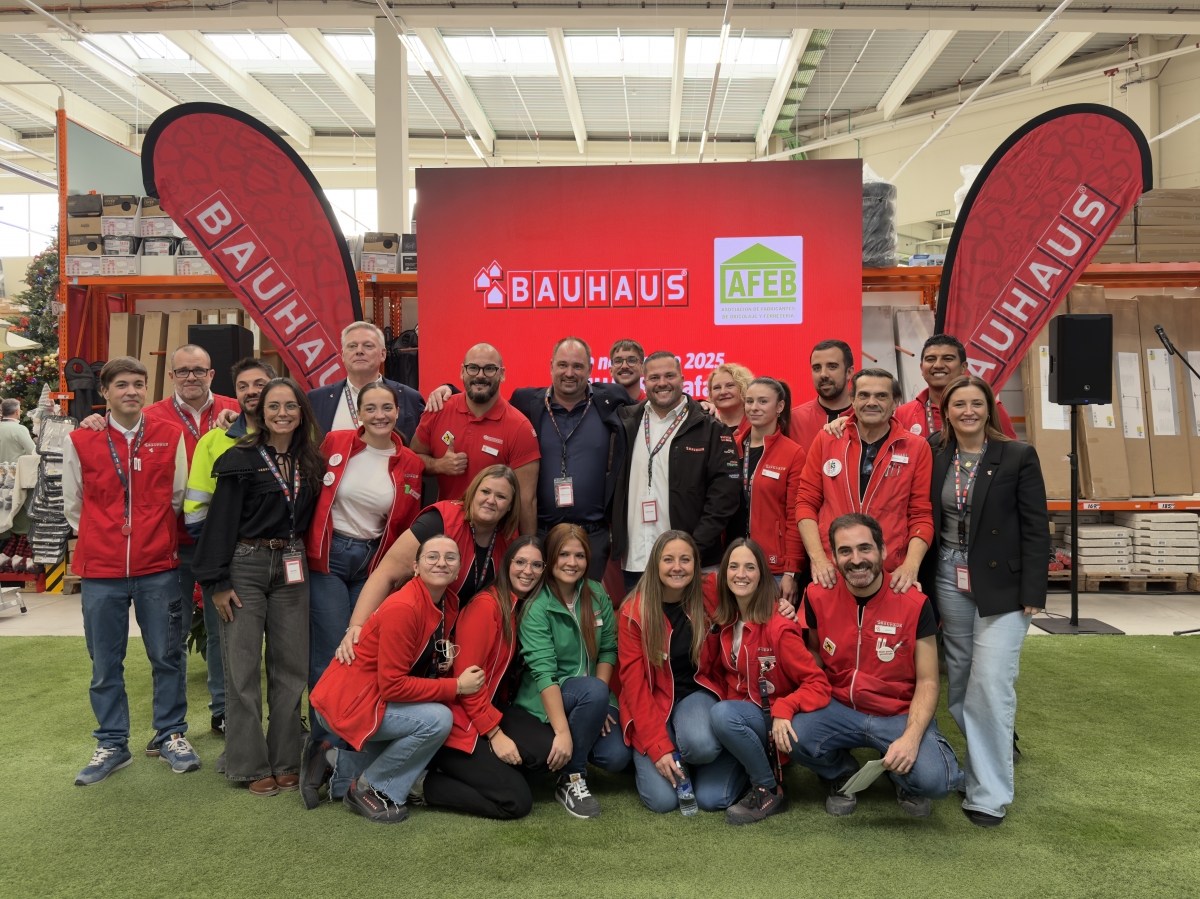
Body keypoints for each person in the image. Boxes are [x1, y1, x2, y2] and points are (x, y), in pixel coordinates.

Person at [81, 344, 241, 736]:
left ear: (211, 374)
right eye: (183, 371)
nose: (191, 377)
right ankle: (172, 729)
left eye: (199, 370)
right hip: (175, 547)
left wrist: (244, 422)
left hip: (228, 544)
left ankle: (223, 710)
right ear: (170, 377)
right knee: (174, 635)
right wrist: (94, 422)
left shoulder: (234, 410)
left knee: (227, 628)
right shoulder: (150, 417)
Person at [62, 356, 197, 785]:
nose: (131, 391)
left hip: (157, 566)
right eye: (121, 385)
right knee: (105, 661)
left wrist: (148, 534)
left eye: (139, 384)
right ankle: (112, 743)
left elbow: (177, 496)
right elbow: (73, 503)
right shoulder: (81, 439)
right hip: (101, 570)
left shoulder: (168, 435)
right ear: (105, 392)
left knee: (167, 655)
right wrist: (106, 535)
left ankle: (171, 734)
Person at [924, 375, 1048, 827]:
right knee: (959, 683)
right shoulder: (937, 455)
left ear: (990, 409)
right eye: (959, 404)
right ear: (947, 411)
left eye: (977, 403)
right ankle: (980, 770)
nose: (968, 411)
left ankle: (988, 794)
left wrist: (1034, 588)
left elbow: (1037, 525)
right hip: (948, 578)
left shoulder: (1017, 455)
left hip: (1004, 587)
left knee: (990, 684)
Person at [193, 379, 324, 796]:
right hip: (246, 564)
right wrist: (217, 582)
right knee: (243, 667)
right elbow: (220, 521)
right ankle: (247, 763)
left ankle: (285, 758)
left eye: (290, 406)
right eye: (274, 406)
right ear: (260, 413)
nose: (282, 413)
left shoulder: (311, 461)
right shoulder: (241, 458)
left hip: (292, 565)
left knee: (291, 667)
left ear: (301, 412)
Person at [300, 381, 426, 805]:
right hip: (329, 557)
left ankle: (345, 764)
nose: (379, 415)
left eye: (386, 408)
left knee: (363, 661)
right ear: (360, 414)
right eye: (370, 408)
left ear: (397, 412)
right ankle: (321, 748)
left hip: (371, 565)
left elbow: (405, 524)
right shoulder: (335, 443)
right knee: (334, 656)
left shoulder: (410, 462)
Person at [792, 513, 962, 818]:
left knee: (937, 781)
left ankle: (900, 774)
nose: (856, 560)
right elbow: (815, 655)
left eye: (865, 548)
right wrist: (793, 701)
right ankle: (841, 771)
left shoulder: (914, 602)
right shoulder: (817, 595)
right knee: (788, 734)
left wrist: (910, 741)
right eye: (845, 551)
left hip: (896, 713)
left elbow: (928, 681)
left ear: (882, 551)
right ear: (833, 557)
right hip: (839, 707)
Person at [309, 535, 485, 824]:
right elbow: (393, 685)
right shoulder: (404, 607)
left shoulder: (446, 602)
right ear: (416, 566)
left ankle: (334, 764)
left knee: (401, 749)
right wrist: (456, 687)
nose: (441, 562)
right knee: (438, 719)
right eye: (432, 556)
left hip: (374, 699)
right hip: (349, 703)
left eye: (450, 557)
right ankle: (371, 789)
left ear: (458, 569)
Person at [335, 465, 520, 668]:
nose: (491, 501)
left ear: (510, 505)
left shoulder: (510, 542)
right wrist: (357, 625)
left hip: (459, 643)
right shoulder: (440, 520)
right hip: (411, 631)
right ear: (473, 491)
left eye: (501, 496)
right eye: (485, 491)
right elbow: (386, 573)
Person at [702, 539, 832, 825]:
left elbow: (818, 684)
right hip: (738, 725)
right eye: (733, 567)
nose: (741, 574)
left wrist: (785, 708)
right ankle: (755, 766)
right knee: (712, 798)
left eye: (750, 567)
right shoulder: (723, 620)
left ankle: (768, 787)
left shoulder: (779, 626)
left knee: (722, 714)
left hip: (767, 720)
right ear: (723, 574)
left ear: (762, 574)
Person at [506, 524, 631, 818]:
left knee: (617, 757)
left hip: (591, 693)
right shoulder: (537, 605)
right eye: (563, 554)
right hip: (548, 696)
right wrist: (563, 731)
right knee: (593, 693)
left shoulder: (597, 593)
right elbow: (544, 674)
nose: (572, 563)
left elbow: (608, 650)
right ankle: (572, 777)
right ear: (550, 558)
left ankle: (577, 744)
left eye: (580, 555)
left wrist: (598, 705)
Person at [182, 358, 277, 742]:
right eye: (243, 386)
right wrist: (222, 562)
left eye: (259, 384)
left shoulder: (291, 436)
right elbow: (196, 510)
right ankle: (225, 714)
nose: (252, 391)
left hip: (284, 559)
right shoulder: (214, 441)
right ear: (233, 393)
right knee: (228, 645)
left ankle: (287, 720)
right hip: (232, 559)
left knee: (285, 646)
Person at [422, 537, 546, 820]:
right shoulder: (486, 606)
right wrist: (495, 734)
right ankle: (421, 782)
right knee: (516, 801)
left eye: (536, 564)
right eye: (521, 562)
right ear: (507, 565)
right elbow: (467, 685)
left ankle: (485, 769)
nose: (528, 570)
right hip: (457, 719)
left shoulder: (516, 606)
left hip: (485, 708)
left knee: (545, 752)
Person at [618, 530, 735, 814]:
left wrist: (779, 607)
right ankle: (675, 760)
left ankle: (700, 759)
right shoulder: (633, 612)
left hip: (696, 693)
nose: (677, 567)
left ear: (696, 564)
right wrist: (658, 748)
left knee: (701, 745)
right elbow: (635, 688)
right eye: (668, 559)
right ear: (655, 564)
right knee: (662, 802)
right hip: (652, 702)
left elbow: (752, 594)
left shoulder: (711, 591)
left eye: (685, 559)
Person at [612, 351, 741, 594]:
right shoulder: (625, 421)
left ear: (682, 379)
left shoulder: (710, 427)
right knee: (640, 631)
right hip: (636, 560)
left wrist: (694, 548)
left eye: (669, 375)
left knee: (693, 631)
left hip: (691, 563)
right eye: (654, 377)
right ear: (643, 379)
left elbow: (725, 496)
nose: (662, 383)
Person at [796, 368, 933, 594]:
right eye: (864, 395)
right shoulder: (827, 439)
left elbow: (921, 515)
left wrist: (910, 566)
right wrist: (818, 559)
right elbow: (805, 504)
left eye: (881, 396)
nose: (872, 402)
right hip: (833, 571)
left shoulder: (917, 448)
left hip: (889, 575)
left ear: (895, 402)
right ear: (852, 400)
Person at [510, 336, 637, 580]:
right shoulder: (525, 402)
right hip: (542, 533)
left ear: (590, 369)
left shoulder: (611, 398)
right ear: (551, 366)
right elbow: (490, 405)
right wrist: (448, 390)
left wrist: (700, 405)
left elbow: (652, 407)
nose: (570, 373)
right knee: (541, 609)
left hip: (593, 536)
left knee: (588, 610)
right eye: (563, 365)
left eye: (578, 366)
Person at [411, 343, 540, 534]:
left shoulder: (520, 428)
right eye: (473, 368)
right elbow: (411, 460)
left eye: (489, 369)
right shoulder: (438, 411)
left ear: (502, 374)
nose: (480, 375)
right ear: (462, 372)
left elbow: (526, 501)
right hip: (445, 529)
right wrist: (439, 465)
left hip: (495, 535)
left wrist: (529, 549)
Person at [726, 377, 806, 606]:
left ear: (779, 407)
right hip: (733, 560)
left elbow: (795, 516)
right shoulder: (730, 447)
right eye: (749, 401)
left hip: (774, 568)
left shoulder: (793, 454)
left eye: (763, 401)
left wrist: (791, 572)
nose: (754, 407)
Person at [306, 322, 431, 441]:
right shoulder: (317, 399)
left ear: (383, 354)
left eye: (368, 346)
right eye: (352, 346)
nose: (359, 351)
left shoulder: (410, 398)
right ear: (343, 355)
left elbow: (422, 449)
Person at [894, 335, 1017, 440]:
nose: (938, 365)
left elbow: (1011, 456)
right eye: (931, 359)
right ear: (922, 368)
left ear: (963, 367)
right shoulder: (903, 412)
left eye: (947, 359)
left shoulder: (990, 408)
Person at [793, 339, 855, 451]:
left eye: (832, 367)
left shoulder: (865, 419)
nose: (823, 374)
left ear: (849, 372)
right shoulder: (793, 420)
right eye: (817, 368)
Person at [707, 363, 753, 431]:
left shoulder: (759, 425)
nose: (723, 392)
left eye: (730, 385)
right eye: (717, 388)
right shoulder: (705, 427)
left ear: (744, 388)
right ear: (710, 394)